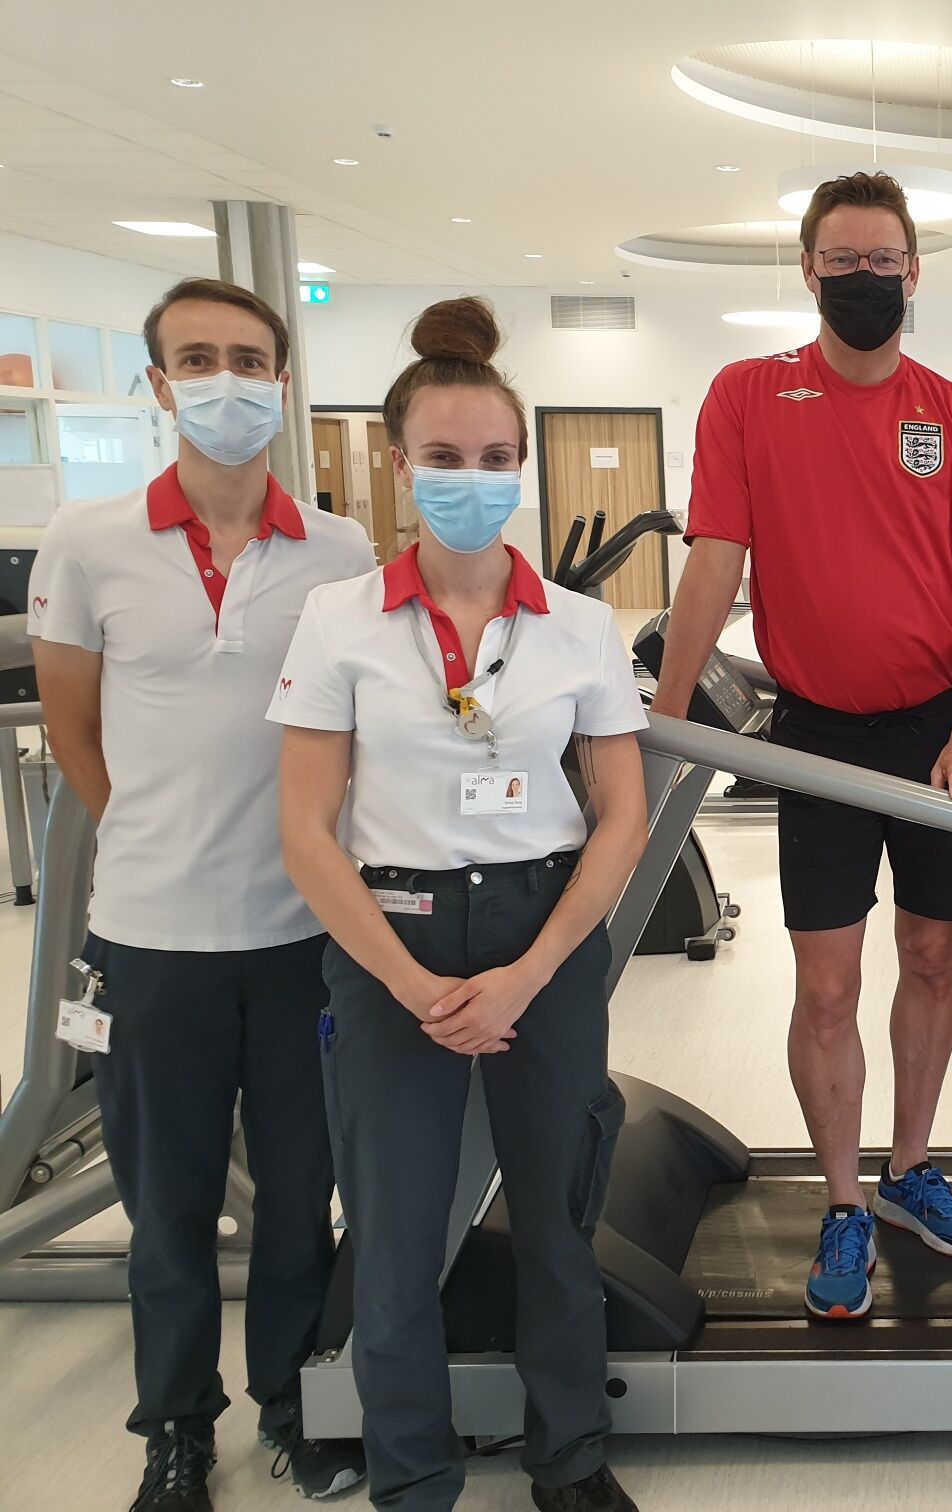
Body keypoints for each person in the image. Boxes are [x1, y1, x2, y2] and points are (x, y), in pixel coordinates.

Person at [271, 297, 648, 1512]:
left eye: (494, 459)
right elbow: (306, 828)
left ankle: (571, 1457)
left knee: (556, 1217)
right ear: (399, 464)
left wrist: (527, 976)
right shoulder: (340, 621)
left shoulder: (580, 628)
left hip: (543, 931)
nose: (470, 480)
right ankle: (412, 1477)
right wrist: (414, 984)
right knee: (393, 1232)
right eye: (443, 456)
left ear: (521, 467)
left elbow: (621, 818)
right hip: (394, 935)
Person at [28, 276, 375, 1511]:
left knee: (299, 1198)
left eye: (248, 358)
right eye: (197, 359)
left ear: (279, 380)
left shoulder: (338, 550)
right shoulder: (89, 541)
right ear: (159, 384)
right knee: (167, 1211)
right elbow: (75, 731)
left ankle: (292, 1403)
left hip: (299, 935)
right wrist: (156, 838)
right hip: (152, 940)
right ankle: (174, 1428)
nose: (226, 380)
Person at [650, 171, 952, 1319]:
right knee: (825, 984)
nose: (867, 278)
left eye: (885, 261)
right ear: (808, 270)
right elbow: (715, 562)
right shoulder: (748, 395)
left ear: (915, 273)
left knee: (932, 958)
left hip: (938, 729)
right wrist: (668, 717)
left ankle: (911, 1169)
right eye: (845, 260)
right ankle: (846, 1200)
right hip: (814, 735)